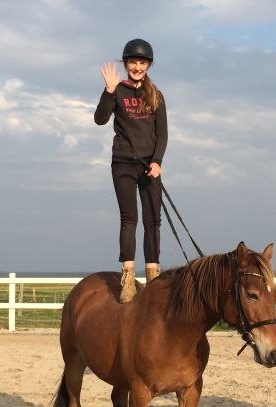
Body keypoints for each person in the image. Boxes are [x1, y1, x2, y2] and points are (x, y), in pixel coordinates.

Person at [94, 38, 168, 303]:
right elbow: (100, 119)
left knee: (153, 221)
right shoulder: (118, 92)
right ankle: (127, 278)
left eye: (142, 63)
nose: (137, 67)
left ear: (148, 66)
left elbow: (162, 133)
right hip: (123, 164)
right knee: (129, 219)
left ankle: (153, 276)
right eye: (133, 62)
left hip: (150, 167)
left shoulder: (156, 95)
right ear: (126, 64)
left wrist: (157, 161)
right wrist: (109, 90)